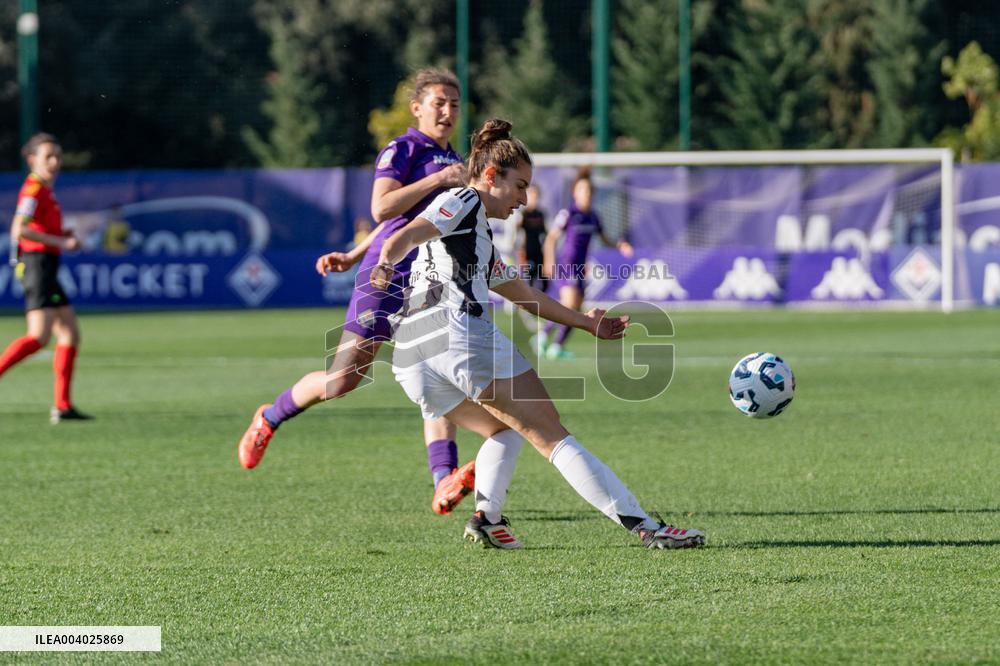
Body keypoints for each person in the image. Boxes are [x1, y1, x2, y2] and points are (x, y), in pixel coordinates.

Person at [372, 119, 704, 550]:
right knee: (549, 433)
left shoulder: (475, 238)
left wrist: (586, 322)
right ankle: (645, 526)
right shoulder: (464, 199)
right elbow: (409, 233)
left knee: (503, 430)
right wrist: (384, 262)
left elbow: (524, 295)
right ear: (491, 176)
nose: (524, 199)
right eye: (520, 186)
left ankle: (487, 520)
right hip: (456, 332)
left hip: (413, 355)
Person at [237, 69, 477, 516]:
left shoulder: (455, 160)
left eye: (455, 103)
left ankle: (443, 478)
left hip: (432, 282)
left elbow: (413, 220)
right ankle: (270, 417)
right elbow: (383, 207)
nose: (448, 111)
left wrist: (349, 252)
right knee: (343, 379)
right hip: (386, 276)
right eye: (439, 102)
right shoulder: (404, 149)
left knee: (438, 376)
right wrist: (438, 183)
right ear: (418, 108)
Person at [0, 133, 91, 424]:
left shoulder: (45, 191)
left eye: (58, 156)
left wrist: (61, 237)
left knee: (69, 333)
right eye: (48, 156)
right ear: (32, 160)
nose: (54, 162)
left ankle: (62, 406)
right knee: (39, 336)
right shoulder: (33, 189)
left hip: (46, 264)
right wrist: (61, 242)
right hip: (37, 264)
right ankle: (61, 405)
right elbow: (19, 230)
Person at [535, 167, 633, 360]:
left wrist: (619, 244)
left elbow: (605, 239)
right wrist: (549, 261)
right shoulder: (569, 213)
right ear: (575, 193)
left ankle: (556, 346)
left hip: (581, 268)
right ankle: (542, 336)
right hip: (566, 265)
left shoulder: (593, 216)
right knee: (570, 304)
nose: (586, 194)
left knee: (575, 307)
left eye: (589, 191)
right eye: (582, 190)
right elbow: (551, 238)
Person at [515, 184, 547, 292]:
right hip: (527, 252)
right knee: (529, 279)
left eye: (536, 196)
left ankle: (542, 304)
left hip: (539, 252)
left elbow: (545, 234)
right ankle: (527, 304)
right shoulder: (524, 214)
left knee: (545, 280)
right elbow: (518, 234)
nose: (534, 198)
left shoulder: (541, 214)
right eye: (531, 195)